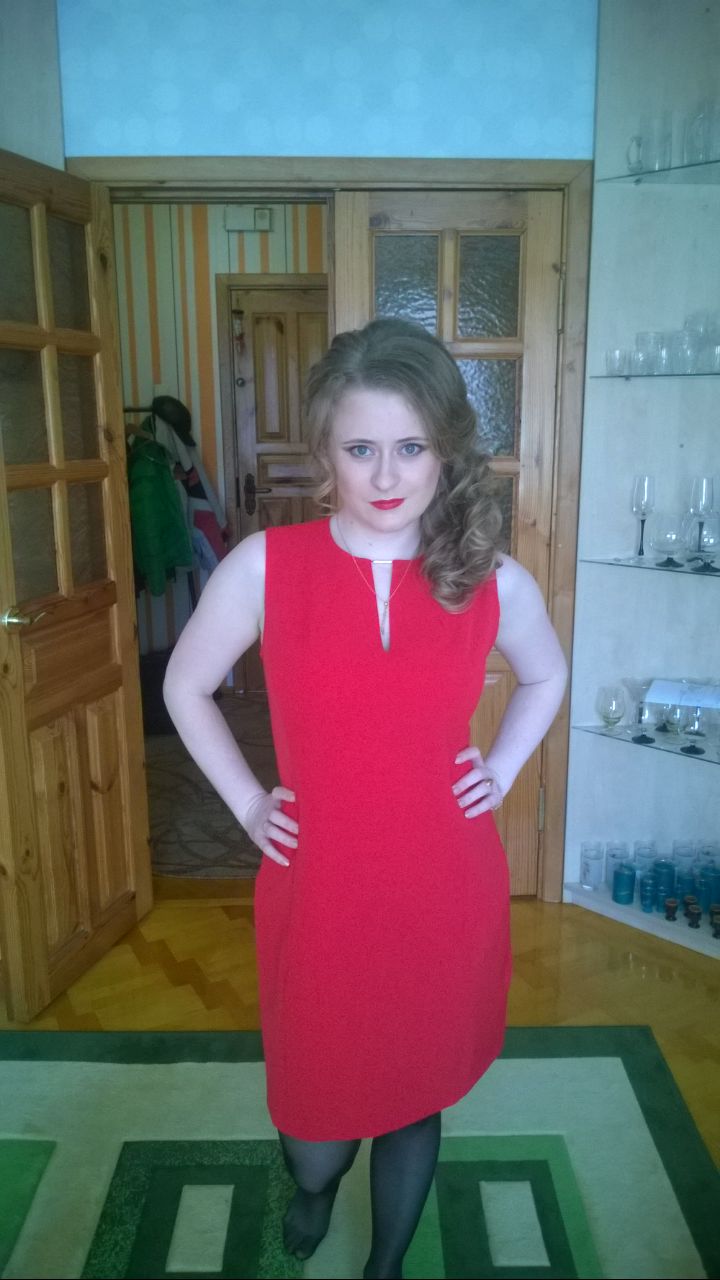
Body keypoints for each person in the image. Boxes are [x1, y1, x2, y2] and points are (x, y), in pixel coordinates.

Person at [163, 317, 568, 1279]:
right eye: (361, 449)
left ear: (445, 450)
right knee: (315, 1132)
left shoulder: (491, 579)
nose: (387, 475)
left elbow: (548, 676)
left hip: (442, 886)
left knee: (413, 1096)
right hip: (320, 890)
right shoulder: (266, 567)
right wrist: (249, 805)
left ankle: (384, 1265)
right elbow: (185, 686)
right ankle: (314, 1188)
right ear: (325, 453)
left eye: (411, 447)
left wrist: (502, 769)